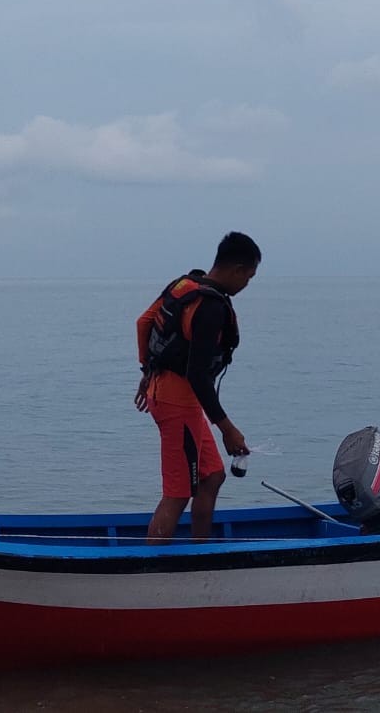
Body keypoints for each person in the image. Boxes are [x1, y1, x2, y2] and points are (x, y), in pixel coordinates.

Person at [134, 232, 260, 543]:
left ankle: (199, 552)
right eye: (249, 277)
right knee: (177, 494)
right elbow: (197, 376)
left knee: (212, 476)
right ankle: (151, 564)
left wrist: (148, 369)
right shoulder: (210, 307)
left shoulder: (184, 285)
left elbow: (144, 322)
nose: (247, 285)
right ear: (238, 270)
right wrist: (227, 429)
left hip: (171, 396)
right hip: (177, 406)